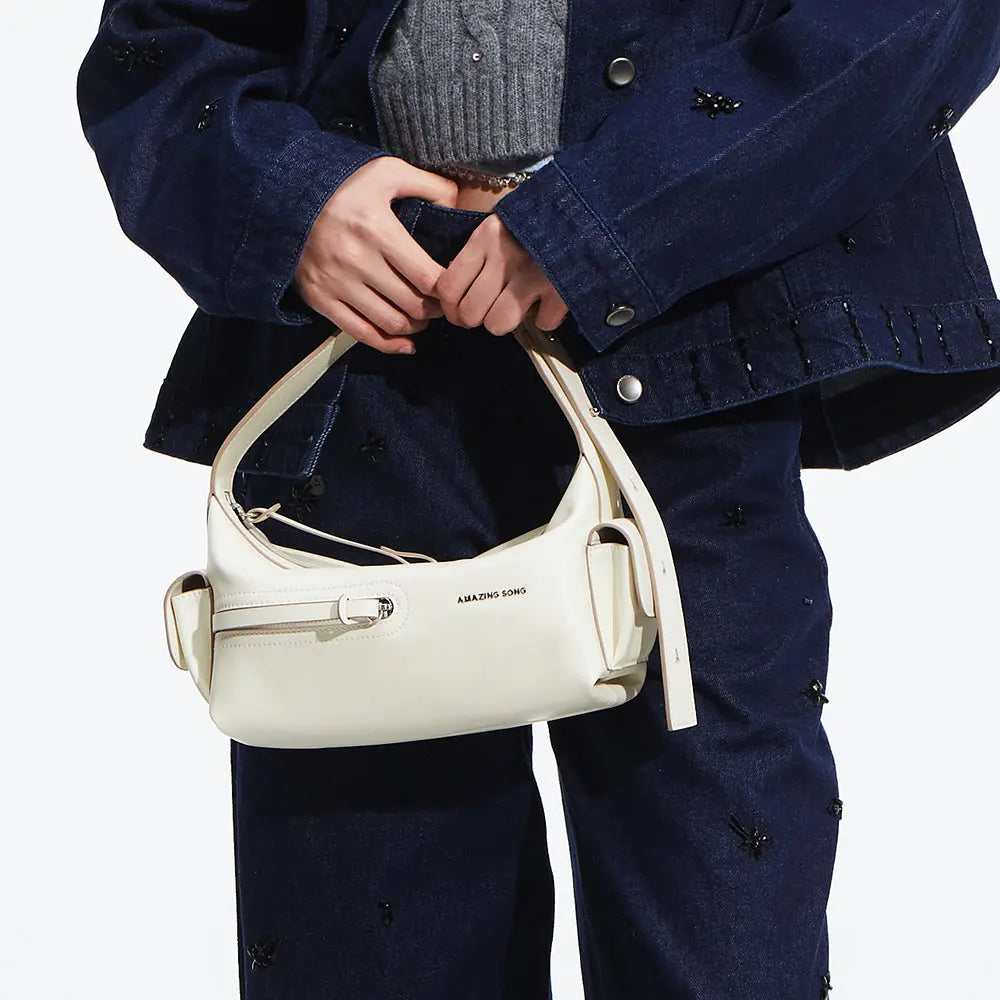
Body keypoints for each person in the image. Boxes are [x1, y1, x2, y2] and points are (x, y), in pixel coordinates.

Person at [77, 1, 1000, 997]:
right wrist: (290, 197)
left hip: (692, 374)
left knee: (724, 947)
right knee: (367, 961)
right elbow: (162, 43)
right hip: (362, 386)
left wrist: (607, 218)